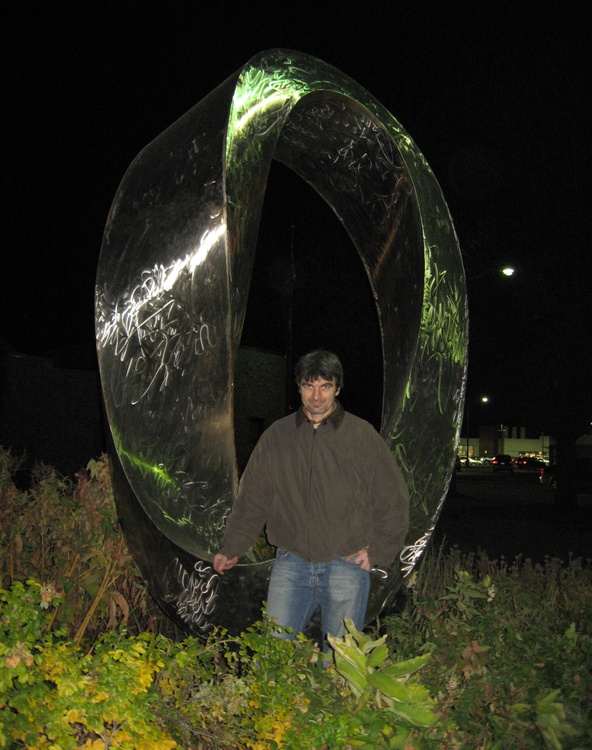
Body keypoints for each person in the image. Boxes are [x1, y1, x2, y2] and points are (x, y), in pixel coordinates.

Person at [213, 350, 409, 647]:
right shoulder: (277, 436)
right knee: (274, 652)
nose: (316, 396)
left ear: (337, 389)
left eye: (325, 386)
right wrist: (232, 547)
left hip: (346, 565)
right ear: (299, 387)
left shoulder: (360, 436)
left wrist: (379, 550)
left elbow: (392, 497)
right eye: (309, 386)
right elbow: (253, 498)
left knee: (340, 658)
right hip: (291, 564)